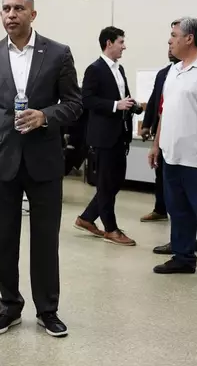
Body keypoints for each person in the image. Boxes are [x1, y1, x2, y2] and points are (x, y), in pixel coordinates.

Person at [0, 0, 82, 338]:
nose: (11, 14)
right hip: (0, 160)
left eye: (18, 8)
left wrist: (46, 115)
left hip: (44, 161)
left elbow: (75, 103)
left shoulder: (58, 54)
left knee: (45, 240)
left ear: (32, 14)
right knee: (3, 239)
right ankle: (9, 307)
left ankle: (47, 310)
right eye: (5, 8)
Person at [148, 17, 197, 288]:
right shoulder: (174, 71)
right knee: (178, 212)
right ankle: (183, 258)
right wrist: (157, 144)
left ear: (189, 38)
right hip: (172, 157)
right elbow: (164, 112)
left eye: (173, 35)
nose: (169, 41)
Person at [74, 26, 136, 246]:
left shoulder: (119, 70)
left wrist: (132, 106)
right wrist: (115, 105)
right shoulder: (95, 69)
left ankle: (86, 218)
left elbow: (123, 98)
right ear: (109, 43)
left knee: (115, 182)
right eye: (121, 42)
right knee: (106, 184)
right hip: (103, 137)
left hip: (120, 136)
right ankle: (111, 229)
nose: (124, 46)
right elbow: (87, 100)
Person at [139, 50, 179, 227]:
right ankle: (160, 209)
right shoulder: (163, 73)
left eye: (173, 44)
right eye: (168, 46)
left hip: (179, 132)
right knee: (160, 172)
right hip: (162, 131)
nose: (170, 50)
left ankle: (179, 212)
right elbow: (155, 100)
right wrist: (147, 125)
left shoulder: (187, 72)